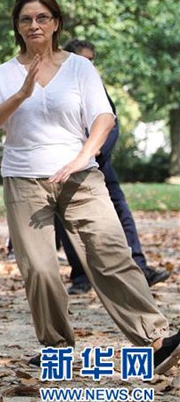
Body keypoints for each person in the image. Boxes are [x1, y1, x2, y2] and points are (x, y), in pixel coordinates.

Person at [0, 0, 180, 375]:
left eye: (42, 18)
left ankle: (153, 339)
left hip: (80, 176)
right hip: (24, 179)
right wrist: (21, 93)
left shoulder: (79, 68)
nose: (34, 25)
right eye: (26, 19)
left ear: (56, 23)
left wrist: (84, 156)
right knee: (39, 269)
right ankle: (58, 349)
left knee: (111, 256)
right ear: (17, 27)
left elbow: (103, 117)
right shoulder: (3, 75)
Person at [56, 39, 170, 294]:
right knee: (65, 221)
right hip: (66, 166)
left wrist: (95, 154)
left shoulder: (95, 87)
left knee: (121, 213)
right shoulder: (57, 86)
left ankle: (140, 268)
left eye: (92, 61)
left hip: (100, 164)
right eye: (84, 60)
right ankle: (81, 277)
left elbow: (110, 124)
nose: (89, 66)